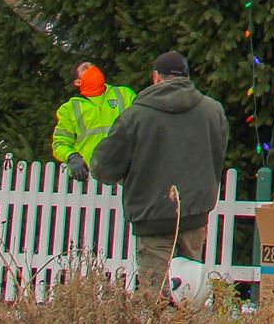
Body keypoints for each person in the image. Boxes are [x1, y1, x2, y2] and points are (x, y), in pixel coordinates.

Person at [88, 51, 228, 299]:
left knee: (158, 300)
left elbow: (103, 166)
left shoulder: (137, 116)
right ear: (187, 77)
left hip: (153, 218)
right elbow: (218, 155)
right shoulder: (212, 111)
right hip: (195, 217)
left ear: (155, 77)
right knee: (189, 297)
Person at [51, 61, 137, 180]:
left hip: (124, 174)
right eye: (86, 68)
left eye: (93, 66)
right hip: (89, 178)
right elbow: (60, 143)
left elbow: (141, 126)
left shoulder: (125, 94)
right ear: (77, 82)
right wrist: (72, 156)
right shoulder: (70, 108)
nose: (92, 69)